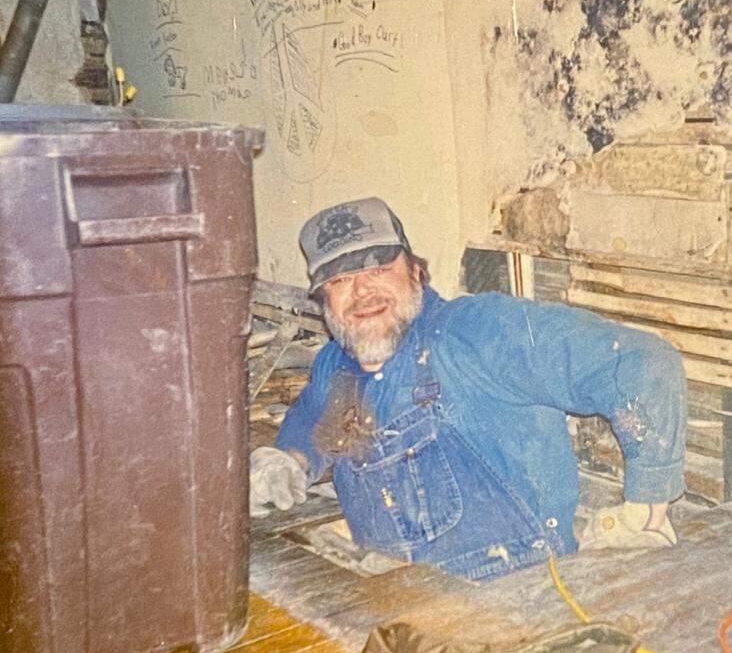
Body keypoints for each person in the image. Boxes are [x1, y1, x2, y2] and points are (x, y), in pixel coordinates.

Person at [249, 197, 687, 581]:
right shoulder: (337, 362)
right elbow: (315, 419)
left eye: (379, 268)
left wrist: (645, 509)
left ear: (416, 271)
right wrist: (290, 459)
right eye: (340, 280)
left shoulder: (477, 333)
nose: (362, 291)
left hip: (516, 600)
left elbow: (641, 363)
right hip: (394, 599)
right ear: (323, 300)